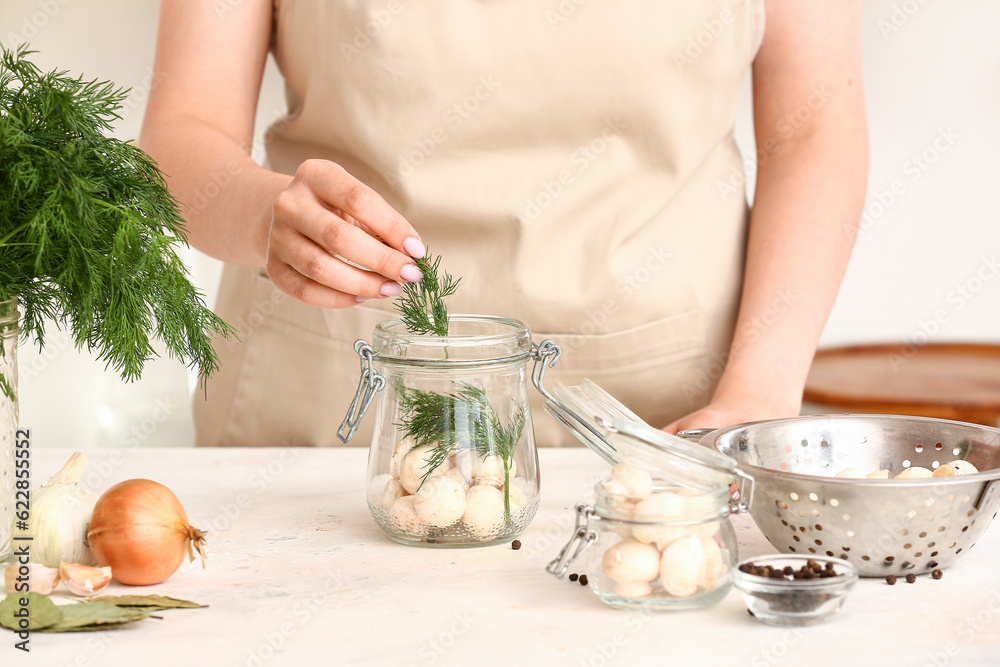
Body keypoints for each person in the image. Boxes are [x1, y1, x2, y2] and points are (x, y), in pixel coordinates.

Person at [140, 0, 868, 448]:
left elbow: (813, 129)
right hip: (334, 414)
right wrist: (263, 215)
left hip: (666, 428)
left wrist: (760, 394)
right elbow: (181, 133)